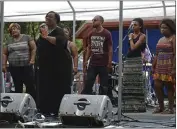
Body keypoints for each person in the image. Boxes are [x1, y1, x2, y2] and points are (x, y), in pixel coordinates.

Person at [36, 11, 72, 116]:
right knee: (45, 87)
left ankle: (59, 110)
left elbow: (60, 42)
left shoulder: (59, 31)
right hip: (46, 66)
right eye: (46, 16)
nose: (47, 17)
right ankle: (45, 110)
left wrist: (46, 36)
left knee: (59, 88)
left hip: (60, 66)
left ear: (56, 19)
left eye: (50, 17)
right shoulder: (43, 33)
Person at [3, 23, 36, 100]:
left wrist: (32, 60)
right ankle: (18, 106)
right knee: (18, 87)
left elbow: (33, 48)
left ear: (19, 29)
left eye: (16, 28)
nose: (14, 30)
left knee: (30, 86)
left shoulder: (26, 37)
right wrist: (4, 65)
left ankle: (35, 105)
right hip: (14, 68)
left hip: (26, 66)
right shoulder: (9, 40)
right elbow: (4, 53)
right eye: (12, 29)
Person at [81, 15, 113, 97]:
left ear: (101, 22)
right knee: (88, 82)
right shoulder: (91, 33)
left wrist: (109, 62)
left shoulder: (107, 33)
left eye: (95, 20)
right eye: (92, 20)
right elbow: (89, 48)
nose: (93, 21)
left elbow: (110, 48)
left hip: (104, 63)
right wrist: (86, 60)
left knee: (104, 86)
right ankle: (86, 100)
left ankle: (102, 103)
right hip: (93, 63)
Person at [152, 18, 176, 114]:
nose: (162, 30)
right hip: (159, 66)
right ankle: (161, 106)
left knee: (169, 86)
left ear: (171, 28)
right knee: (157, 86)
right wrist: (153, 66)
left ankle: (170, 107)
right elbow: (157, 54)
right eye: (161, 28)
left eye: (165, 28)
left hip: (169, 65)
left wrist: (174, 68)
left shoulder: (174, 38)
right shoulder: (160, 39)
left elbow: (175, 54)